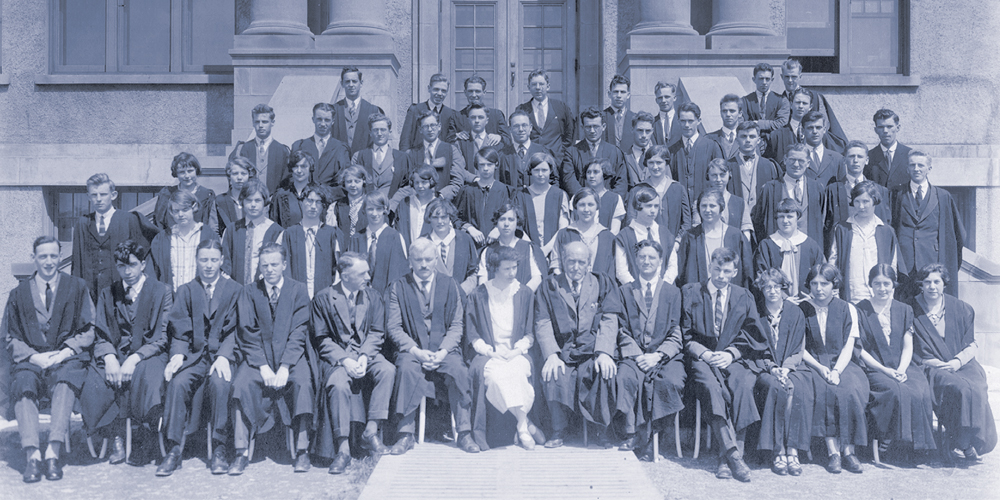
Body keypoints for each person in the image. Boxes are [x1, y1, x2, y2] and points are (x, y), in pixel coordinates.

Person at [4, 236, 95, 483]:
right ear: (34, 257)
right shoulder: (18, 294)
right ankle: (32, 454)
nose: (48, 262)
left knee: (66, 381)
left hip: (64, 357)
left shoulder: (76, 287)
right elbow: (10, 337)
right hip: (32, 359)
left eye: (53, 256)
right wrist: (35, 357)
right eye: (43, 256)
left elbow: (88, 329)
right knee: (23, 384)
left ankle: (53, 452)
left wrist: (65, 352)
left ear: (59, 257)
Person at [79, 240, 171, 467]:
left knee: (148, 377)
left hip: (148, 353)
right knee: (95, 378)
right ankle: (114, 434)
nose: (127, 272)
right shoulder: (108, 293)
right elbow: (101, 333)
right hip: (115, 352)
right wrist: (109, 357)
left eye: (131, 265)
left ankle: (146, 436)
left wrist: (134, 358)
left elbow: (162, 336)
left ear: (143, 264)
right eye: (121, 266)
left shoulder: (161, 291)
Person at [386, 238, 479, 455]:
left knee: (458, 369)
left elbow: (457, 325)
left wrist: (443, 351)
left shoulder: (451, 285)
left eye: (429, 259)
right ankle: (405, 434)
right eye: (419, 260)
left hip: (445, 350)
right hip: (413, 350)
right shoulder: (398, 287)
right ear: (411, 261)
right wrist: (416, 351)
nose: (424, 264)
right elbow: (394, 327)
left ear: (436, 259)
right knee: (406, 369)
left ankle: (464, 432)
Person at [156, 239, 241, 477]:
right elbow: (180, 330)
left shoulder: (234, 289)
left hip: (222, 356)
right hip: (194, 357)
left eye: (214, 260)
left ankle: (220, 447)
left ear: (222, 261)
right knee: (178, 383)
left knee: (220, 383)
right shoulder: (185, 290)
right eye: (204, 260)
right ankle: (173, 449)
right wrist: (178, 355)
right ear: (196, 261)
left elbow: (237, 330)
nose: (209, 265)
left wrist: (224, 356)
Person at [229, 243, 315, 475]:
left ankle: (302, 450)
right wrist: (264, 366)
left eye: (274, 264)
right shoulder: (249, 291)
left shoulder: (298, 290)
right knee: (241, 385)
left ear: (284, 265)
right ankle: (241, 451)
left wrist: (286, 366)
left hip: (291, 357)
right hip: (259, 359)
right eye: (264, 265)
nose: (269, 269)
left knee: (303, 383)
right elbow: (247, 332)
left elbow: (299, 331)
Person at [681, 247, 761, 483]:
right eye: (717, 269)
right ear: (710, 266)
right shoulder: (691, 292)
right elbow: (684, 334)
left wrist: (731, 354)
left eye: (727, 271)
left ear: (734, 272)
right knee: (711, 388)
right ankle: (734, 456)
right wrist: (704, 353)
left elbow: (752, 333)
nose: (721, 276)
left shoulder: (744, 296)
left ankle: (727, 456)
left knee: (744, 385)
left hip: (732, 358)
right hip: (702, 358)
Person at [312, 252, 396, 471]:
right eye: (362, 273)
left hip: (365, 353)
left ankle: (370, 430)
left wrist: (364, 356)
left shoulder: (372, 296)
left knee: (387, 370)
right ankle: (342, 449)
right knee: (338, 384)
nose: (368, 276)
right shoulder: (323, 298)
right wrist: (344, 360)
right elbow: (321, 338)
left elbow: (377, 332)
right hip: (337, 357)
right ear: (345, 275)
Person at [535, 241, 620, 448]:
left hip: (592, 351)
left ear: (588, 264)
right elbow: (542, 321)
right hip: (563, 351)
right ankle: (559, 429)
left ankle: (601, 429)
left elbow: (609, 318)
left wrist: (604, 352)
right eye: (570, 261)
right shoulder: (549, 285)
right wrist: (552, 354)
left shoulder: (602, 283)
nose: (575, 267)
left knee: (603, 371)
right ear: (562, 262)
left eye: (581, 262)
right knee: (553, 373)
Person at [608, 240, 686, 461]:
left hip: (664, 356)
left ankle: (650, 436)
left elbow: (676, 331)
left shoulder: (672, 292)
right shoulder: (624, 291)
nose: (646, 261)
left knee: (669, 382)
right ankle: (632, 433)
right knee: (625, 377)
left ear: (660, 262)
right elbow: (621, 330)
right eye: (642, 257)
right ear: (635, 261)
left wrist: (658, 355)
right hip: (634, 355)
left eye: (652, 257)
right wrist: (638, 355)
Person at [910, 264, 997, 461]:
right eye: (927, 282)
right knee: (958, 389)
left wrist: (957, 362)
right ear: (920, 285)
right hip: (930, 366)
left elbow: (972, 344)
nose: (932, 286)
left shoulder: (961, 308)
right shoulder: (910, 310)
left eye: (936, 282)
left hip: (963, 363)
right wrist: (939, 365)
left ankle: (970, 439)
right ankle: (962, 442)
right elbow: (912, 350)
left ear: (944, 284)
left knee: (976, 387)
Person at [466, 246, 546, 450]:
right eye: (507, 269)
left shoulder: (524, 293)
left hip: (516, 352)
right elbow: (473, 335)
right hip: (489, 355)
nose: (513, 273)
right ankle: (524, 424)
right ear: (494, 269)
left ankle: (521, 425)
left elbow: (530, 334)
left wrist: (516, 351)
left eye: (515, 268)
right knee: (494, 378)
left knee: (518, 373)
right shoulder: (479, 295)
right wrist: (491, 352)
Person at [855, 264, 937, 460]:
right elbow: (860, 350)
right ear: (870, 285)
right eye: (877, 284)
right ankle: (886, 440)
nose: (882, 288)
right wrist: (886, 370)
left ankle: (915, 447)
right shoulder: (859, 310)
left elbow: (908, 345)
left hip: (903, 364)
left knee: (918, 390)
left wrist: (900, 369)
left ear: (894, 285)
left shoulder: (905, 309)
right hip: (874, 367)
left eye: (886, 284)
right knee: (894, 391)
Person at [799, 264, 869, 474]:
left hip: (843, 362)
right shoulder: (801, 309)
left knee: (850, 390)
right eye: (814, 283)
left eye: (824, 283)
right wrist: (821, 368)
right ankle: (833, 453)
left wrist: (837, 370)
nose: (819, 288)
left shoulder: (847, 308)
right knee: (823, 391)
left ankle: (849, 450)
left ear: (834, 284)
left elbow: (849, 345)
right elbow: (799, 347)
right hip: (813, 362)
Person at [752, 269, 812, 477]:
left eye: (776, 286)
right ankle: (778, 450)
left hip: (792, 367)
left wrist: (786, 367)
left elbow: (799, 349)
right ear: (762, 288)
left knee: (796, 387)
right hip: (765, 368)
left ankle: (792, 449)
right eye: (767, 287)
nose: (772, 291)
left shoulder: (795, 313)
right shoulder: (755, 313)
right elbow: (752, 348)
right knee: (777, 387)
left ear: (783, 287)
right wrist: (772, 367)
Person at [889, 150, 965, 298]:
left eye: (921, 165)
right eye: (912, 165)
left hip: (932, 262)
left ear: (929, 169)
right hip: (904, 265)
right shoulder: (896, 194)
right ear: (907, 168)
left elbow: (957, 234)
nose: (916, 168)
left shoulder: (943, 196)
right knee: (905, 306)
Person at [71, 173, 146, 301]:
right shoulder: (82, 223)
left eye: (103, 194)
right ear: (88, 197)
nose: (98, 199)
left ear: (113, 195)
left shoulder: (128, 220)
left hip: (121, 293)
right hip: (91, 295)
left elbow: (138, 259)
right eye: (94, 195)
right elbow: (77, 264)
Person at [828, 180, 899, 303]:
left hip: (878, 295)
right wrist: (835, 291)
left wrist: (890, 293)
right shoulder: (843, 229)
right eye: (857, 201)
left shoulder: (886, 231)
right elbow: (833, 261)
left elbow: (892, 265)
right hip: (852, 293)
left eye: (866, 201)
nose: (861, 206)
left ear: (874, 201)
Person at [676, 189, 753, 288]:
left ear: (721, 208)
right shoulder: (690, 236)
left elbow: (747, 271)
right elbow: (680, 272)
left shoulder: (736, 235)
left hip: (729, 297)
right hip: (698, 297)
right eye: (704, 205)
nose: (707, 210)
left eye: (712, 206)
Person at [753, 143, 827, 246]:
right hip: (779, 249)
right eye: (792, 159)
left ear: (808, 163)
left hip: (808, 250)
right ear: (785, 160)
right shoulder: (770, 188)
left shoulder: (817, 188)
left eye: (801, 161)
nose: (796, 164)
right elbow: (759, 222)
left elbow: (823, 220)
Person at [145, 189, 218, 291]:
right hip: (172, 301)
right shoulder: (161, 239)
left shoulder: (209, 235)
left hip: (202, 299)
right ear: (171, 212)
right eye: (176, 211)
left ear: (194, 207)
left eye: (185, 209)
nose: (180, 214)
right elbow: (152, 274)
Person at [754, 198, 826, 297]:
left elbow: (822, 272)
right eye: (781, 217)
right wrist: (783, 297)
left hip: (807, 301)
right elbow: (762, 276)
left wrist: (812, 294)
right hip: (775, 300)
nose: (785, 221)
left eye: (790, 216)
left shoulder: (810, 245)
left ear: (797, 217)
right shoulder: (766, 245)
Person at [823, 141, 892, 244]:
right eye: (851, 156)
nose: (855, 160)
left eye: (860, 157)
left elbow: (886, 224)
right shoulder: (833, 190)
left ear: (867, 160)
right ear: (844, 160)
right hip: (843, 245)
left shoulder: (879, 191)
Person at [281, 183, 341, 299]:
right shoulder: (289, 233)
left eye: (318, 202)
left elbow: (337, 270)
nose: (313, 206)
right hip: (296, 299)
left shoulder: (331, 234)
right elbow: (285, 268)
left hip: (324, 299)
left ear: (323, 206)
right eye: (309, 201)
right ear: (301, 202)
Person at [221, 179, 284, 285]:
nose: (253, 205)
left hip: (263, 291)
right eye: (249, 200)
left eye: (257, 200)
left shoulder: (276, 231)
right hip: (236, 291)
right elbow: (225, 263)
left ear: (264, 202)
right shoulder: (232, 230)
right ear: (242, 202)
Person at [778, 58, 847, 153]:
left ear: (800, 76)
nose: (790, 80)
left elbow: (825, 124)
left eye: (794, 77)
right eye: (787, 76)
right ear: (782, 77)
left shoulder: (814, 97)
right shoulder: (778, 100)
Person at [728, 121, 780, 245]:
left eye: (752, 136)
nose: (747, 140)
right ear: (736, 139)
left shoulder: (769, 166)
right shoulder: (728, 165)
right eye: (743, 136)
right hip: (736, 224)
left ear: (758, 140)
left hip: (762, 225)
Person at [614, 186, 677, 285]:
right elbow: (621, 271)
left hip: (663, 290)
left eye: (656, 206)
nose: (653, 210)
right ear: (638, 206)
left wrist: (663, 287)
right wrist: (638, 290)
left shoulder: (665, 233)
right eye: (649, 206)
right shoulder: (624, 236)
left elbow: (672, 266)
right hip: (634, 291)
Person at [349, 191, 408, 294]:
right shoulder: (356, 239)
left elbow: (399, 274)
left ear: (385, 210)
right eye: (370, 209)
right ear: (364, 210)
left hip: (385, 299)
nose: (374, 213)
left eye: (378, 209)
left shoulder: (395, 237)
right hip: (360, 299)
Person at [477, 203, 546, 291]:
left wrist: (521, 295)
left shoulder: (528, 248)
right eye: (502, 219)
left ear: (517, 222)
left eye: (511, 219)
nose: (506, 224)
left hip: (522, 300)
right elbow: (483, 280)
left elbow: (537, 277)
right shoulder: (488, 251)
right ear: (496, 223)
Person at [549, 188, 616, 278]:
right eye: (582, 205)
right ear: (575, 207)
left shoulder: (608, 237)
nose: (586, 209)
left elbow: (612, 270)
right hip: (569, 289)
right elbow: (556, 264)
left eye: (590, 205)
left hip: (600, 289)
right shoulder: (564, 234)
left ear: (597, 206)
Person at [561, 107, 628, 197]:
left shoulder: (615, 151)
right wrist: (585, 199)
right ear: (582, 127)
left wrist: (609, 200)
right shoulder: (572, 152)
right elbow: (569, 180)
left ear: (603, 127)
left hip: (608, 204)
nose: (592, 131)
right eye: (588, 127)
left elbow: (621, 182)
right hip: (582, 203)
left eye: (596, 126)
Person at [629, 145, 691, 238]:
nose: (655, 167)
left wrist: (678, 241)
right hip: (645, 244)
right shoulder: (637, 190)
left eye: (659, 163)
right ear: (646, 164)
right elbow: (631, 220)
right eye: (651, 163)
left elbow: (686, 222)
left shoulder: (678, 189)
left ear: (666, 163)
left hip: (673, 244)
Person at [454, 146, 513, 245]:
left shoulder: (504, 190)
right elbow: (455, 218)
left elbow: (512, 217)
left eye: (489, 164)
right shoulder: (467, 191)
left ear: (496, 165)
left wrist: (499, 229)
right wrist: (469, 228)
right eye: (482, 165)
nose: (486, 168)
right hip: (472, 244)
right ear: (477, 166)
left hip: (498, 244)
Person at [351, 112, 411, 209]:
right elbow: (352, 183)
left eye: (383, 130)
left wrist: (392, 204)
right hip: (364, 209)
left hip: (392, 211)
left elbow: (408, 186)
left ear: (389, 132)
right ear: (370, 133)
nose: (379, 133)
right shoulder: (358, 156)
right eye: (375, 130)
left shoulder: (402, 158)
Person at [669, 102, 725, 204]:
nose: (686, 125)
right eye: (683, 121)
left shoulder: (712, 146)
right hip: (679, 207)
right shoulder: (672, 150)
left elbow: (720, 179)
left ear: (699, 121)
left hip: (706, 206)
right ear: (678, 121)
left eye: (690, 121)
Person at [406, 110, 467, 202]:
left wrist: (441, 196)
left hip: (444, 203)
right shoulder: (411, 153)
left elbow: (457, 181)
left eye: (433, 125)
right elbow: (407, 182)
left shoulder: (451, 150)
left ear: (439, 127)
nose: (430, 129)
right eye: (426, 126)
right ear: (420, 130)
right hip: (417, 202)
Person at [228, 104, 291, 193]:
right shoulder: (242, 149)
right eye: (257, 122)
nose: (260, 125)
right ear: (253, 123)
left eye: (264, 122)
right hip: (248, 201)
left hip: (274, 202)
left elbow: (286, 182)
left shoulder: (283, 151)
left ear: (272, 122)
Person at [515, 69, 576, 161]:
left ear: (548, 86)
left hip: (557, 160)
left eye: (541, 84)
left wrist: (561, 152)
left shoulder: (561, 107)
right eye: (534, 84)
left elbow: (570, 133)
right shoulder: (522, 109)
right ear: (528, 87)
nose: (538, 87)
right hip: (531, 160)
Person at [422, 198, 479, 295]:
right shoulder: (422, 243)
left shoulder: (464, 239)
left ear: (450, 217)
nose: (440, 221)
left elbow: (474, 272)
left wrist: (461, 291)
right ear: (429, 218)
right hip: (433, 300)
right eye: (435, 217)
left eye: (444, 217)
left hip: (461, 299)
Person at [518, 152, 570, 256]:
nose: (540, 174)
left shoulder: (559, 195)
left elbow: (563, 227)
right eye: (536, 170)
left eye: (544, 170)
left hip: (555, 251)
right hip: (528, 252)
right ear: (531, 171)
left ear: (551, 171)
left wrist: (546, 249)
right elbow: (517, 226)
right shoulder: (520, 195)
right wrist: (534, 249)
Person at [151, 152, 217, 233]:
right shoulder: (167, 194)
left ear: (196, 170)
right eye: (182, 172)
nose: (187, 176)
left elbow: (210, 226)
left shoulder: (206, 195)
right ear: (176, 173)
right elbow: (158, 223)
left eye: (190, 171)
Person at [291, 103, 352, 188]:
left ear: (333, 121)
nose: (323, 124)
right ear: (313, 119)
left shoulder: (341, 148)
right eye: (319, 119)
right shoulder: (299, 146)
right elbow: (291, 178)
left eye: (327, 120)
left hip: (331, 198)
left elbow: (344, 182)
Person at [399, 73, 460, 151]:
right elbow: (405, 140)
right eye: (436, 89)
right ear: (429, 88)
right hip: (417, 159)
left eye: (443, 91)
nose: (439, 94)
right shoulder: (415, 110)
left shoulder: (450, 114)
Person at [332, 67, 385, 155]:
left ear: (361, 83)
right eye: (347, 81)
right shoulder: (334, 110)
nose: (351, 85)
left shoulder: (374, 110)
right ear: (342, 84)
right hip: (339, 164)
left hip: (365, 164)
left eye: (354, 81)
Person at [498, 109, 556, 189]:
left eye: (524, 125)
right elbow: (498, 184)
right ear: (510, 129)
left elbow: (554, 180)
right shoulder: (502, 155)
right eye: (516, 126)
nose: (521, 129)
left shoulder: (543, 152)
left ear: (530, 128)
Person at [865, 109, 912, 192]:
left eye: (889, 126)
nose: (885, 131)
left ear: (898, 128)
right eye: (881, 127)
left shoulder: (910, 154)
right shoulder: (868, 156)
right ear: (876, 130)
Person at [455, 74, 510, 147]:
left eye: (477, 91)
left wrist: (500, 137)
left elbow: (508, 140)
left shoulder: (496, 115)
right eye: (470, 91)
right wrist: (456, 136)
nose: (474, 95)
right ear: (465, 93)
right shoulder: (457, 116)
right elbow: (449, 140)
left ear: (484, 92)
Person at [765, 87, 815, 166]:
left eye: (804, 103)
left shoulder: (816, 135)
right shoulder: (776, 136)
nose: (801, 106)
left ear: (810, 107)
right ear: (791, 104)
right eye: (798, 102)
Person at [395, 165, 439, 249]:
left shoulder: (438, 204)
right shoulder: (404, 203)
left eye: (424, 182)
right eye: (417, 182)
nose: (420, 186)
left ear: (432, 182)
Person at [270, 150, 315, 229]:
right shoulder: (280, 195)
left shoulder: (319, 194)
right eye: (296, 166)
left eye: (303, 166)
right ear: (291, 169)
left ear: (310, 168)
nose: (299, 170)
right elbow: (274, 225)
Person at [741, 62, 790, 134]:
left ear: (772, 80)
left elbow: (782, 122)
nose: (764, 82)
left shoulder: (782, 100)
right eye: (761, 78)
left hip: (775, 141)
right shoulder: (744, 101)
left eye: (767, 79)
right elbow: (742, 123)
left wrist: (757, 123)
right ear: (754, 79)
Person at [652, 81, 704, 148]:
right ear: (656, 100)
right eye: (660, 98)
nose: (663, 101)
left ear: (674, 98)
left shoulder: (685, 121)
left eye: (667, 97)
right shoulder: (652, 123)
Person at [799, 111, 845, 185]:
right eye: (810, 128)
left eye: (818, 127)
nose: (814, 131)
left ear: (824, 130)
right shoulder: (795, 157)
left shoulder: (838, 159)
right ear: (803, 131)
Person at [703, 158, 749, 232]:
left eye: (722, 175)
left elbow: (746, 232)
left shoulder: (741, 203)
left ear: (729, 174)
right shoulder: (701, 202)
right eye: (714, 175)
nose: (718, 179)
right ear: (708, 176)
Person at [326, 164, 370, 241]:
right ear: (344, 183)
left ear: (363, 181)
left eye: (357, 181)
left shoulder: (371, 204)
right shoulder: (336, 206)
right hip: (343, 250)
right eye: (349, 181)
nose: (353, 185)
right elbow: (331, 235)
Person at [216, 157, 257, 238]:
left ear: (249, 175)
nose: (239, 177)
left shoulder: (255, 200)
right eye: (235, 173)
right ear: (229, 176)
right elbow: (214, 230)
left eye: (243, 173)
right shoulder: (219, 201)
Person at [582, 158, 626, 233]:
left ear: (604, 174)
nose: (591, 176)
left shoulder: (614, 199)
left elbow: (614, 230)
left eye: (596, 172)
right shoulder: (579, 197)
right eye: (588, 172)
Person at [456, 104, 498, 172]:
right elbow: (459, 169)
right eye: (473, 117)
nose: (477, 121)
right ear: (468, 120)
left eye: (480, 117)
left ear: (487, 120)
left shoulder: (494, 142)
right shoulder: (461, 143)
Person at [623, 111, 656, 189]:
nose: (644, 135)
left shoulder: (660, 157)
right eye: (640, 130)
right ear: (632, 129)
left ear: (652, 131)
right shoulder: (624, 157)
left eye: (648, 131)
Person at [602, 75, 636, 151]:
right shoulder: (602, 116)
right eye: (616, 92)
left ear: (628, 95)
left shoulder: (635, 118)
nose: (619, 96)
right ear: (609, 94)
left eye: (622, 92)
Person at [705, 94, 742, 160]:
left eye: (732, 111)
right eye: (724, 111)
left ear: (740, 113)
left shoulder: (748, 138)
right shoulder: (709, 139)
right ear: (720, 113)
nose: (728, 114)